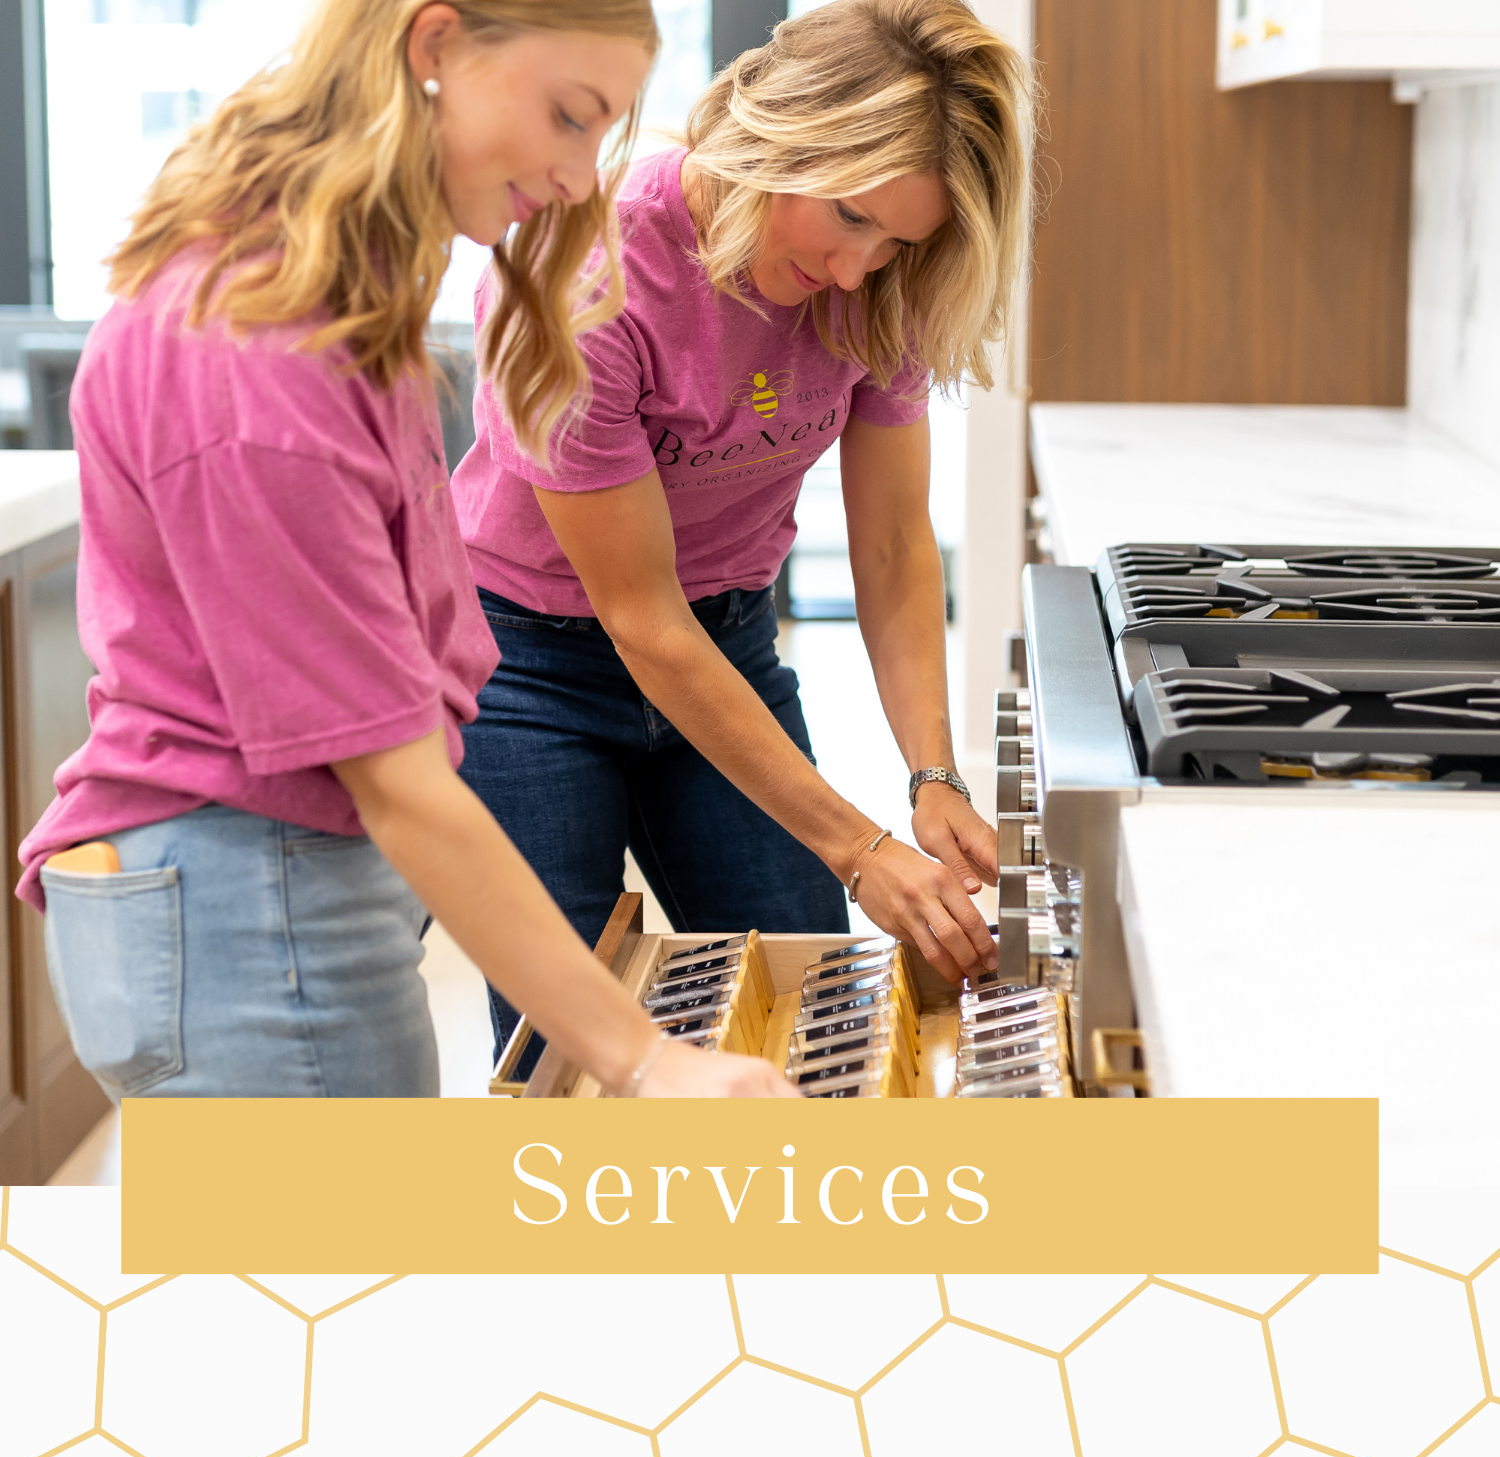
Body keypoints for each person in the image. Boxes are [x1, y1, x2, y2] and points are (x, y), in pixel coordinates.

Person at [18, 0, 795, 1102]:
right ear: (434, 48)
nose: (582, 180)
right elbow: (395, 780)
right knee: (341, 1275)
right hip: (251, 906)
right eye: (570, 117)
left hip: (266, 890)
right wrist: (645, 1058)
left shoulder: (318, 300)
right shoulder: (260, 356)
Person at [453, 0, 1031, 1072]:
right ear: (774, 136)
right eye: (851, 219)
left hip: (725, 638)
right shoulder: (588, 280)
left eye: (901, 240)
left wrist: (932, 779)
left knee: (820, 1011)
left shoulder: (881, 289)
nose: (861, 270)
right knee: (568, 1049)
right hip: (523, 663)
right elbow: (639, 618)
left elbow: (897, 550)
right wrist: (862, 850)